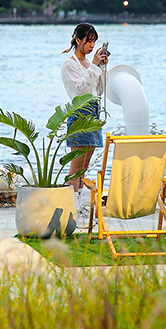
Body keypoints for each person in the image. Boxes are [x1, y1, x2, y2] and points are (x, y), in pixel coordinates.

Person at [60, 23, 109, 209]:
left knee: (85, 166)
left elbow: (99, 90)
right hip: (80, 113)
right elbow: (80, 89)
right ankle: (72, 207)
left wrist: (101, 68)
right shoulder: (69, 64)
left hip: (94, 113)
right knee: (76, 167)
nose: (91, 45)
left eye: (94, 41)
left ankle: (78, 204)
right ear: (77, 40)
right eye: (88, 41)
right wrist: (94, 66)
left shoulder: (90, 64)